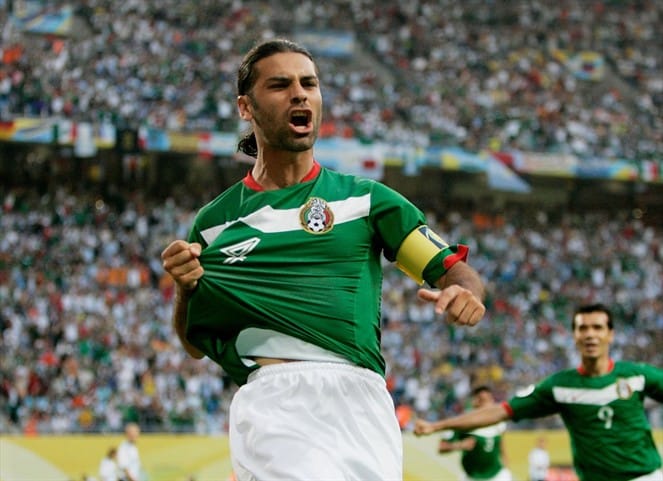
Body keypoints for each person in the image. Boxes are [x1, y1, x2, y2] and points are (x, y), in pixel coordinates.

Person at [160, 37, 486, 481]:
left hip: (364, 403)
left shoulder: (367, 201)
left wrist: (465, 292)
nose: (299, 94)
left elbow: (451, 270)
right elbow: (195, 343)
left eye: (309, 83)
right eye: (280, 85)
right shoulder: (215, 223)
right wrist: (185, 288)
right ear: (245, 107)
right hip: (277, 400)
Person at [414, 303, 663, 481]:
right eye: (583, 328)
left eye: (597, 328)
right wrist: (438, 426)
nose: (590, 335)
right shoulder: (559, 386)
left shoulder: (637, 375)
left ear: (611, 335)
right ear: (574, 336)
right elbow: (501, 411)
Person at [435, 385, 512, 481]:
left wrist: (507, 468)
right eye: (483, 400)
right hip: (472, 476)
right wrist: (460, 445)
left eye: (489, 399)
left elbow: (501, 445)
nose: (488, 404)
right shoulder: (463, 422)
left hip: (496, 475)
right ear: (475, 402)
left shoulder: (498, 422)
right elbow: (442, 447)